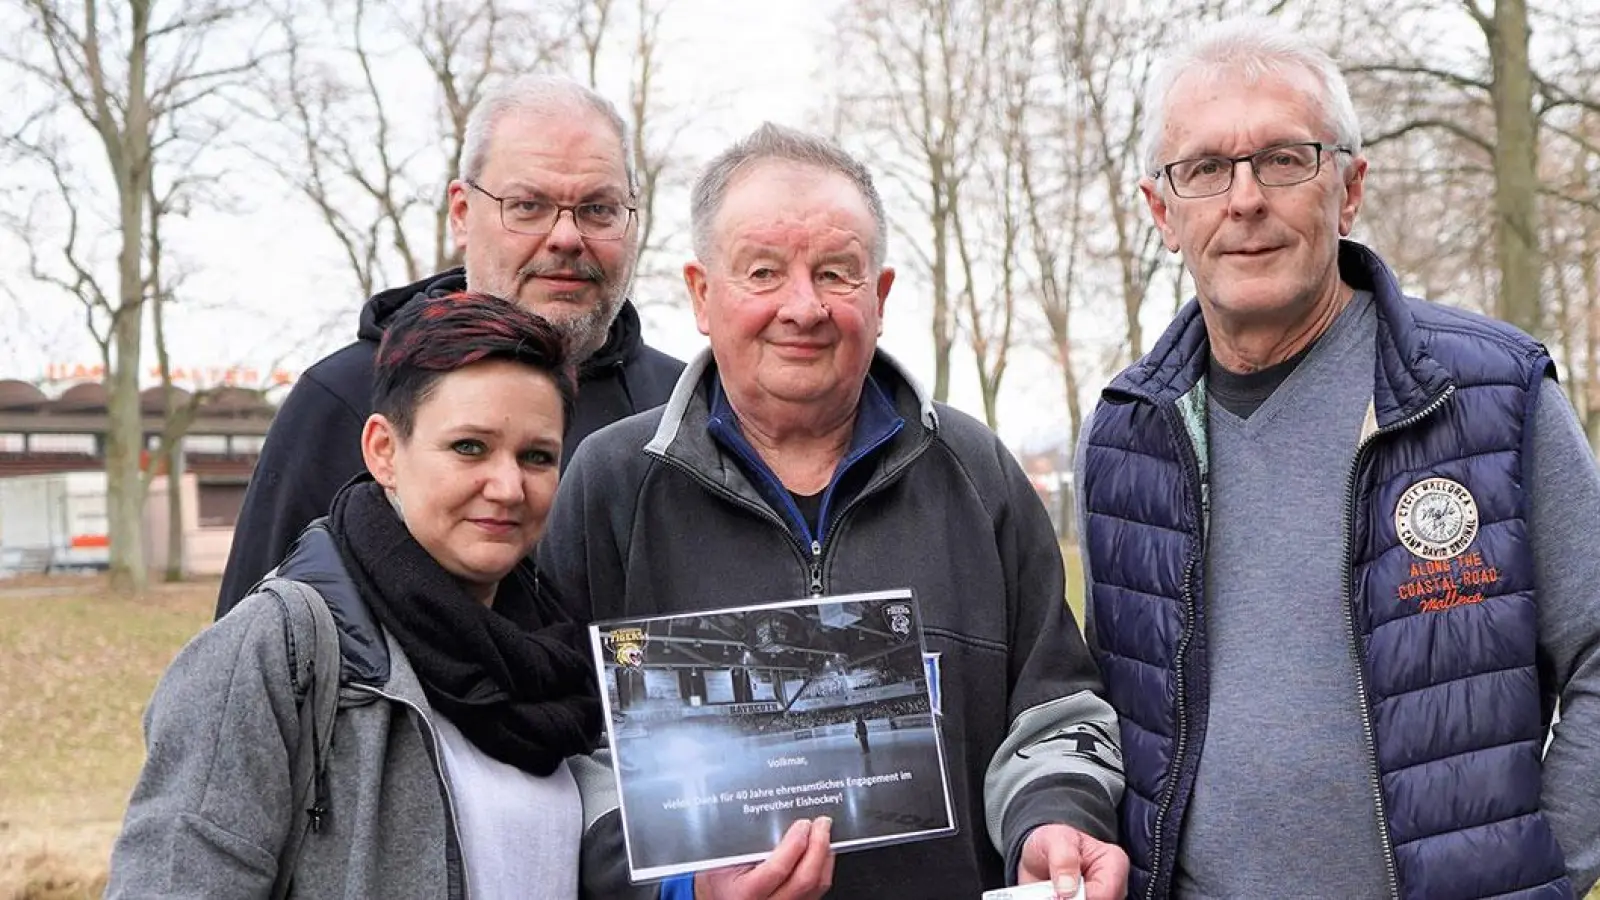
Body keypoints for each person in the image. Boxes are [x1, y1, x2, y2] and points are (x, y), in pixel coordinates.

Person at [1075, 18, 1600, 900]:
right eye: (1206, 168)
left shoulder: (1491, 395)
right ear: (1162, 213)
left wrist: (1541, 878)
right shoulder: (1126, 434)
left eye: (1284, 159)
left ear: (1348, 190)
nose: (1245, 200)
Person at [539, 123, 1129, 900]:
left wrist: (1054, 818)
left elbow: (1056, 706)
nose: (803, 306)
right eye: (762, 272)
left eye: (837, 273)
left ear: (879, 298)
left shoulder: (974, 470)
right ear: (701, 295)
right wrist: (682, 887)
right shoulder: (612, 486)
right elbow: (561, 753)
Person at [107, 294, 610, 898]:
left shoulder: (560, 662)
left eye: (537, 456)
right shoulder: (274, 652)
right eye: (469, 447)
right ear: (383, 451)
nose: (507, 487)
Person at [216, 74, 684, 618]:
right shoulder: (344, 398)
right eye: (528, 205)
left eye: (598, 209)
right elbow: (256, 654)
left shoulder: (687, 409)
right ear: (462, 214)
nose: (566, 237)